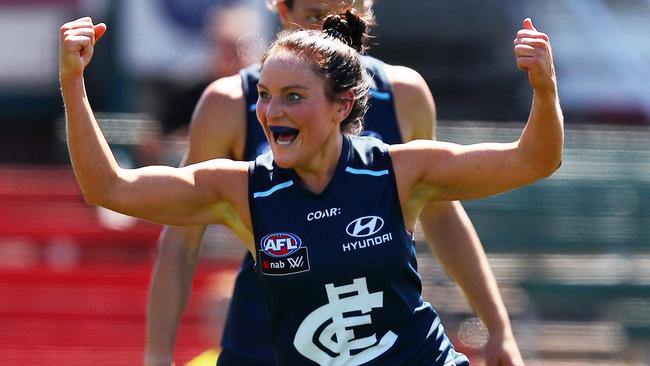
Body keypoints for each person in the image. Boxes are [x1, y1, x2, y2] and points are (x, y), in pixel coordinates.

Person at [59, 9, 562, 365]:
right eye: (265, 96)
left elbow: (534, 160)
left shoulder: (401, 171)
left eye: (293, 97)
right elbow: (110, 188)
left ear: (341, 106)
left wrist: (543, 87)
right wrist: (73, 84)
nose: (271, 112)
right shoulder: (240, 189)